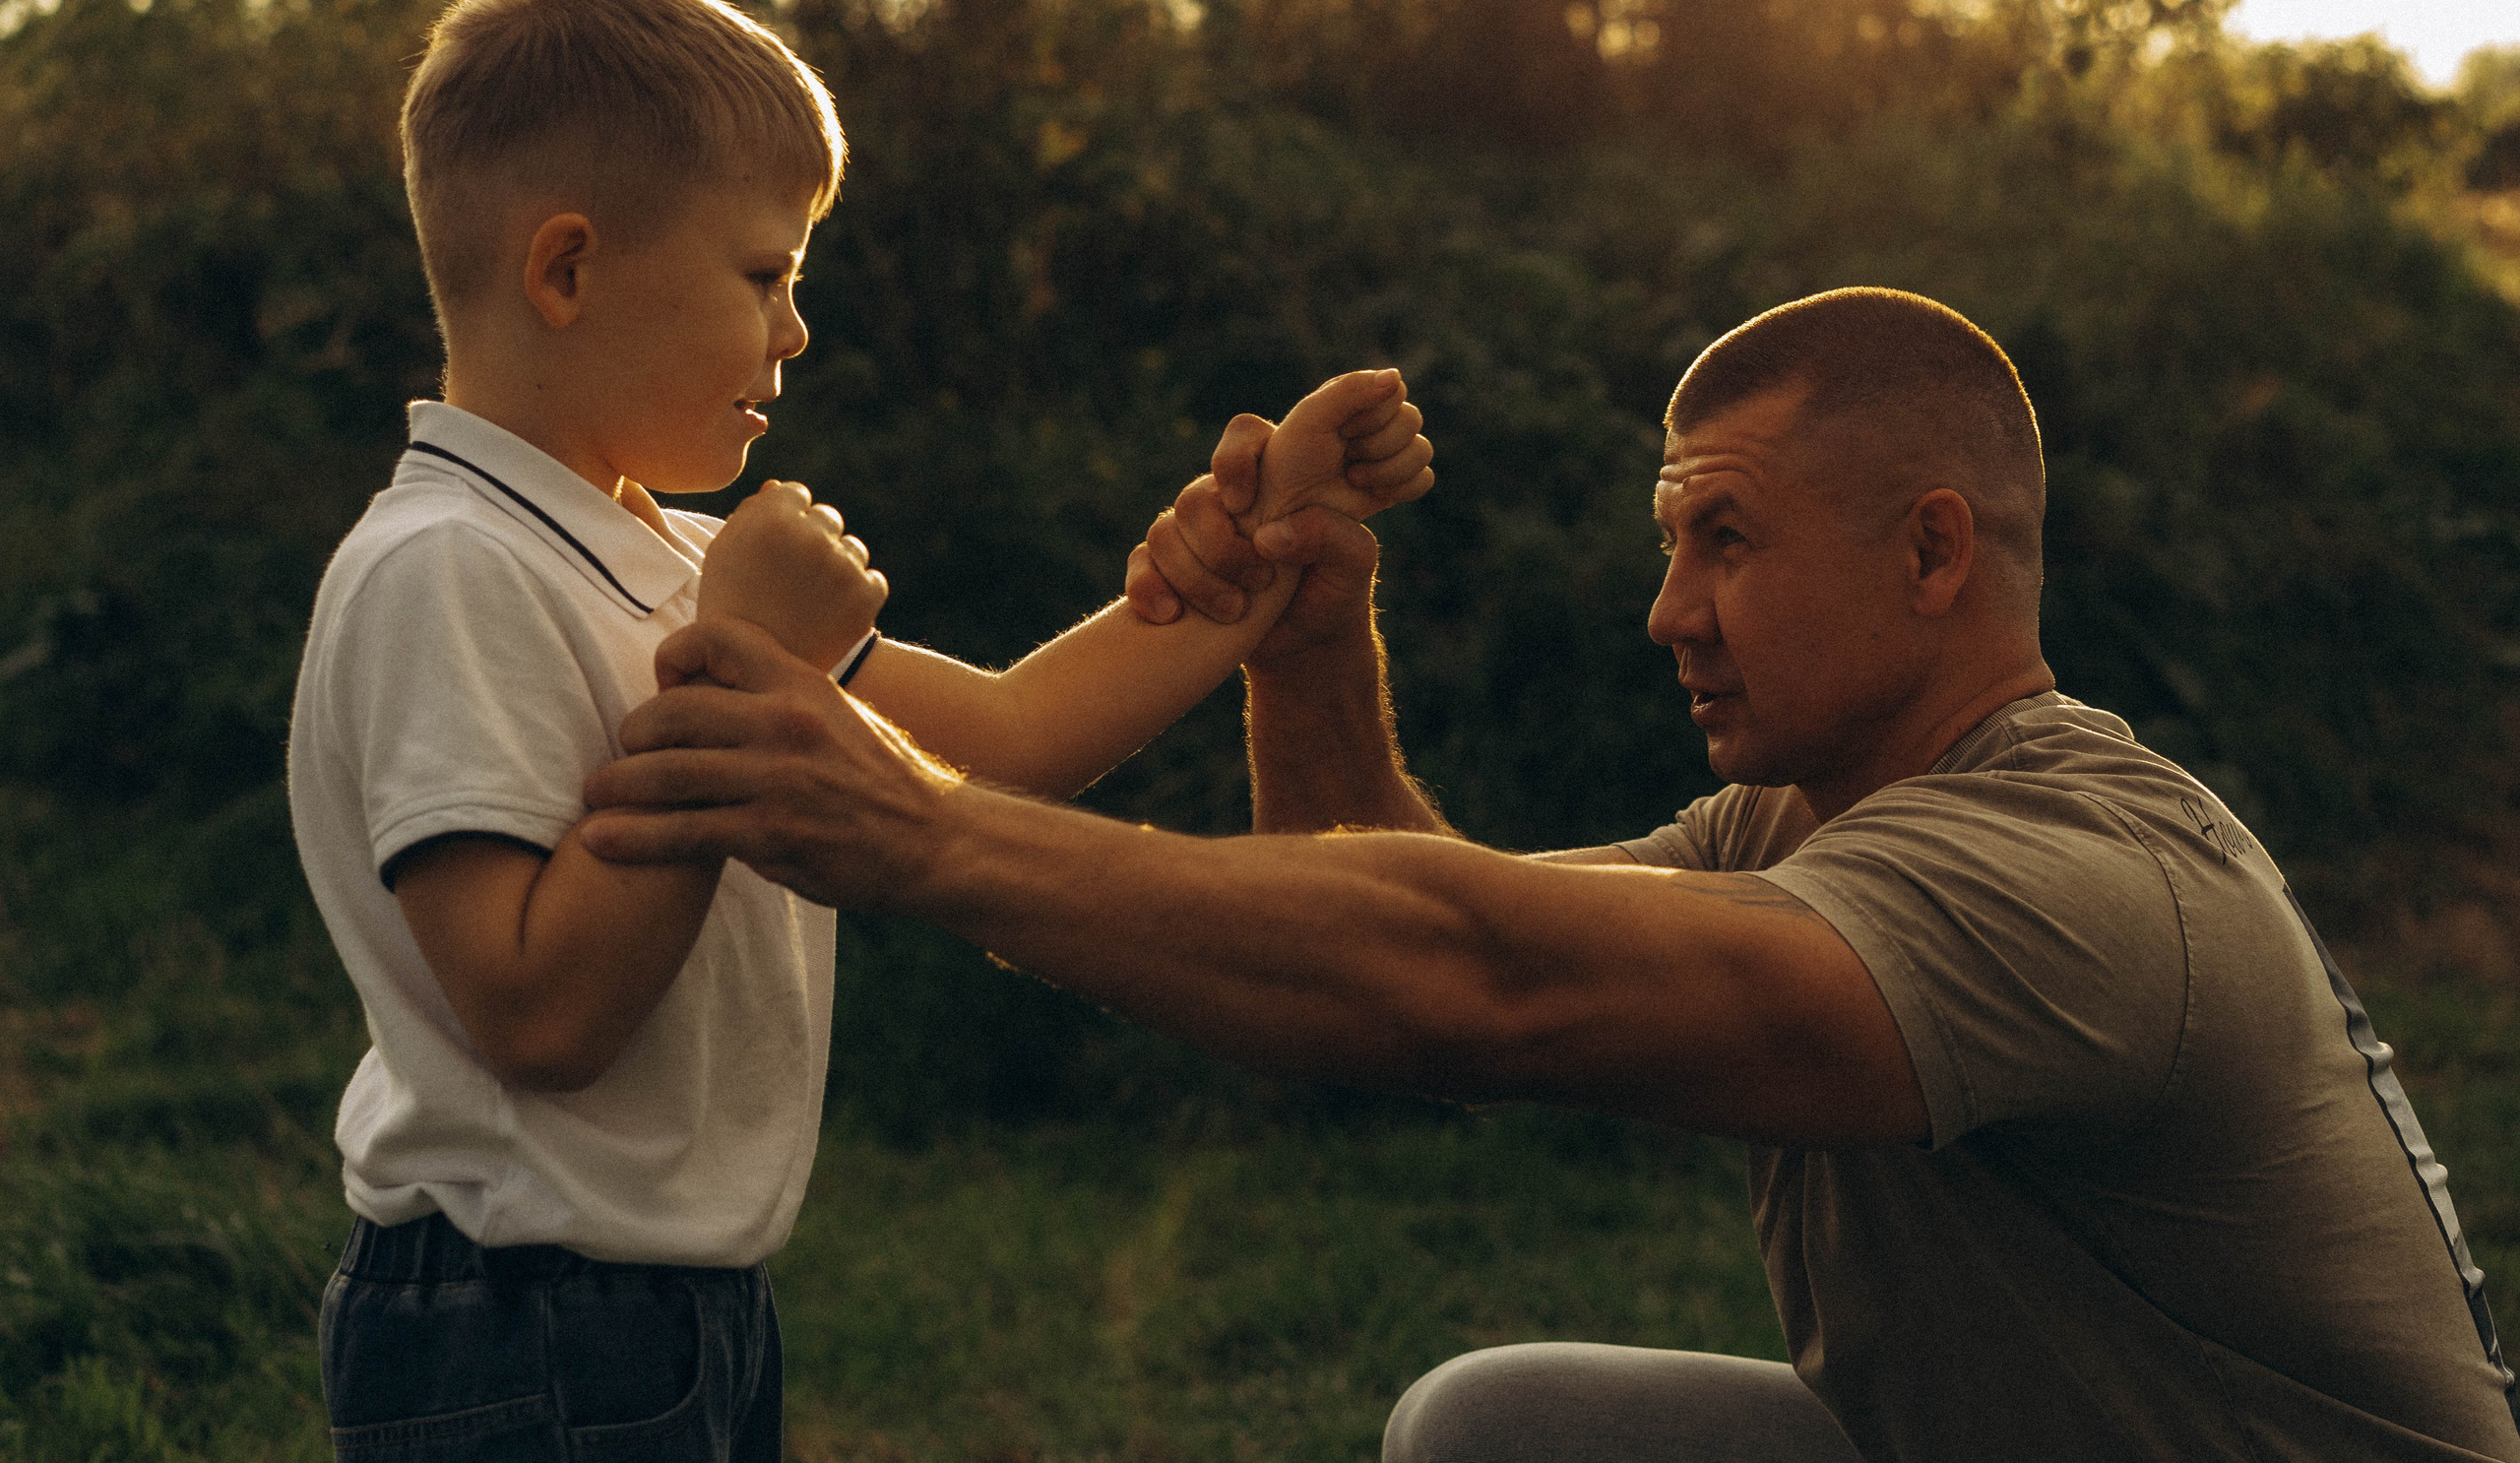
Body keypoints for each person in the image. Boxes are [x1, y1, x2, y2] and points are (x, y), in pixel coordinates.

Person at [578, 287, 2520, 1462]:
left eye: (1725, 540)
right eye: (1671, 545)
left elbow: (1490, 987)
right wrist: (1308, 645)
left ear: (1934, 552)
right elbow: (1416, 924)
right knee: (1509, 1433)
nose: (1667, 609)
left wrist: (918, 828)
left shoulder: (2073, 877)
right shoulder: (1810, 823)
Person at [285, 0, 1432, 1459]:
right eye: (765, 275)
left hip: (675, 1308)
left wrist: (1259, 544)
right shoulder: (448, 568)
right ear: (566, 271)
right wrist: (743, 658)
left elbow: (1009, 740)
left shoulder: (678, 561)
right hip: (520, 1319)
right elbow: (538, 1012)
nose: (795, 330)